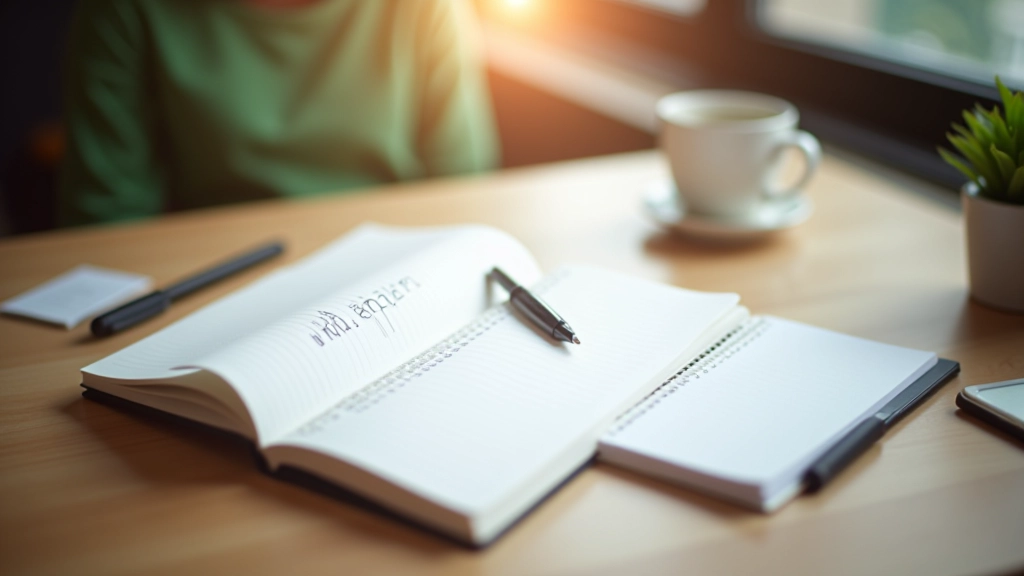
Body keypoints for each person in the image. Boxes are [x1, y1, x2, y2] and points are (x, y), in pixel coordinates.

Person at [59, 0, 498, 226]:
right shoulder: (126, 10)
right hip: (207, 281)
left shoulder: (426, 8)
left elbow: (462, 189)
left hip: (389, 284)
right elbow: (106, 215)